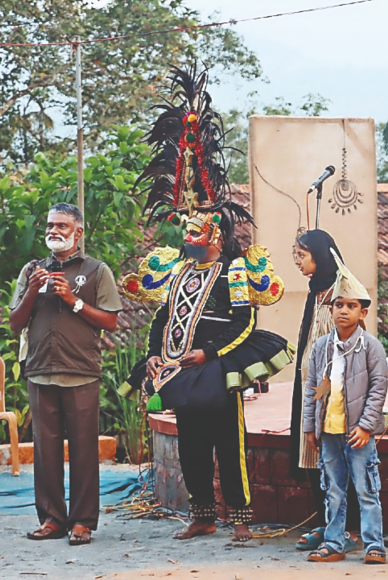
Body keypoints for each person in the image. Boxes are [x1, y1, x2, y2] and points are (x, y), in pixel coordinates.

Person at [123, 65, 294, 544]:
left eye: (196, 231)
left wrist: (210, 353)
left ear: (215, 235)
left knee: (228, 443)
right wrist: (158, 352)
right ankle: (201, 515)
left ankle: (239, 519)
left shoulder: (235, 272)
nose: (187, 236)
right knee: (192, 446)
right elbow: (161, 316)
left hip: (215, 367)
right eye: (186, 230)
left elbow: (244, 322)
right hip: (178, 369)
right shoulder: (176, 269)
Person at [9, 202, 122, 546]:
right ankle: (52, 520)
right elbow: (15, 324)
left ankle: (83, 522)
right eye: (50, 226)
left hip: (81, 372)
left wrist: (73, 300)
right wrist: (32, 289)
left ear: (78, 232)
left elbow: (111, 321)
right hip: (41, 371)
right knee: (45, 452)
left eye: (62, 225)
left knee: (85, 450)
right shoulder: (32, 270)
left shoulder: (96, 270)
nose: (54, 231)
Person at [302, 252, 388, 565]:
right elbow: (312, 388)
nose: (343, 311)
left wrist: (366, 426)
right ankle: (334, 542)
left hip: (358, 434)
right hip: (330, 432)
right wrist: (310, 427)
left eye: (351, 306)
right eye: (339, 305)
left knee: (366, 490)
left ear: (362, 312)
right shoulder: (322, 346)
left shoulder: (371, 347)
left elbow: (378, 389)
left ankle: (373, 544)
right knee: (333, 491)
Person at [289, 229, 361, 553]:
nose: (297, 261)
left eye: (302, 255)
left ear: (320, 256)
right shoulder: (314, 293)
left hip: (337, 389)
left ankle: (352, 529)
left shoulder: (343, 291)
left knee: (340, 459)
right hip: (310, 386)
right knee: (314, 456)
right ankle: (326, 522)